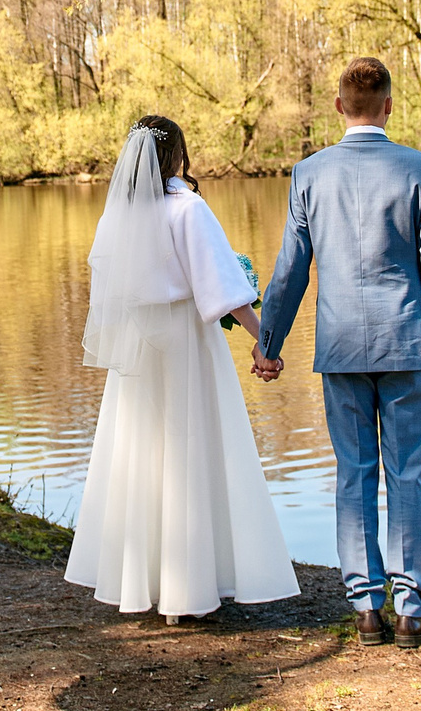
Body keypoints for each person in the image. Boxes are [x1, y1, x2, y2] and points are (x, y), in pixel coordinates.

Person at [253, 56, 421, 646]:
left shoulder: (309, 174)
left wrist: (269, 343)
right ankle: (411, 608)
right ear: (389, 106)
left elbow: (291, 269)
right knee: (407, 472)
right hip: (408, 344)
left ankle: (367, 606)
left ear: (340, 106)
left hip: (341, 346)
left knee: (353, 474)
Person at [66, 114, 300, 621]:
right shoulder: (187, 210)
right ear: (176, 156)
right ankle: (188, 590)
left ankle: (144, 583)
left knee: (143, 455)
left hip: (139, 351)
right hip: (185, 345)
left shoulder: (117, 217)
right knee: (190, 451)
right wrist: (266, 342)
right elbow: (224, 289)